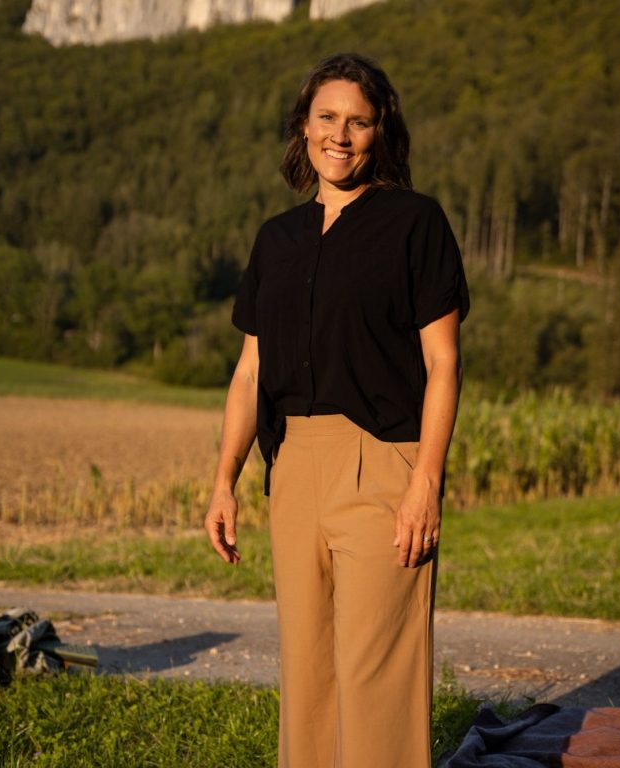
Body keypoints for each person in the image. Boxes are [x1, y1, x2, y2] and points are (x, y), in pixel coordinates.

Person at [204, 52, 470, 768]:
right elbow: (249, 371)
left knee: (374, 673)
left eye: (359, 121)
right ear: (304, 126)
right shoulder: (276, 239)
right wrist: (226, 478)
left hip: (383, 460)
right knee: (310, 676)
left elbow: (443, 363)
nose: (341, 135)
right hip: (292, 466)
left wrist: (425, 483)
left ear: (382, 131)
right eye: (327, 118)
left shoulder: (415, 223)